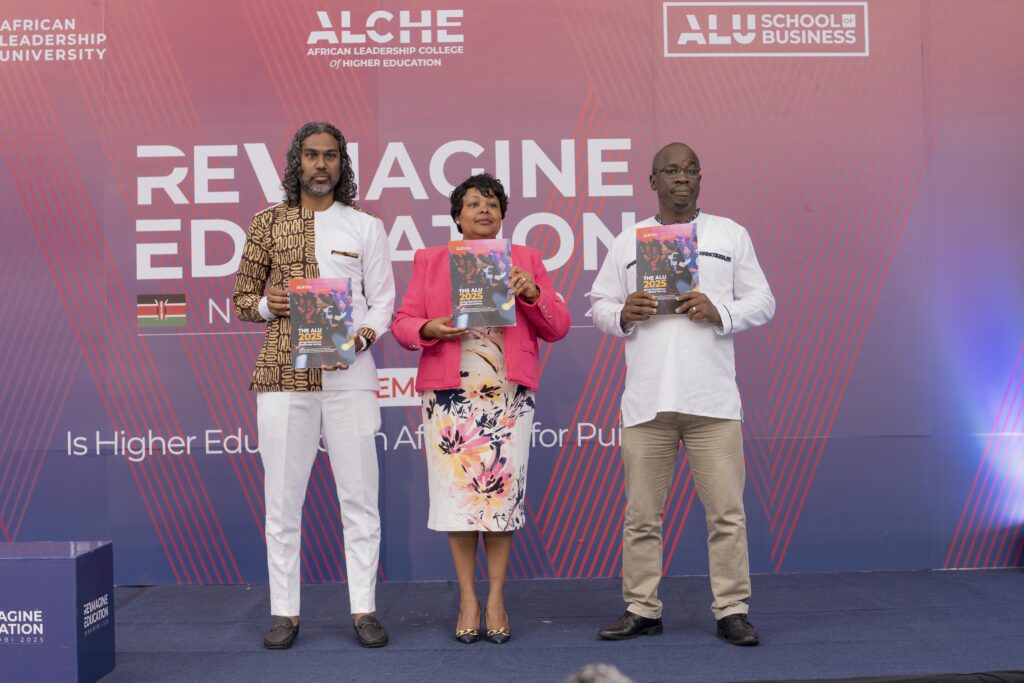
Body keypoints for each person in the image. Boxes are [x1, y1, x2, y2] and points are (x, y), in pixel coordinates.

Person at [589, 143, 775, 646]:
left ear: (700, 178)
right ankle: (642, 608)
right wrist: (623, 312)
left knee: (726, 515)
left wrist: (722, 311)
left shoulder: (729, 234)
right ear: (652, 180)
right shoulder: (629, 240)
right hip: (647, 401)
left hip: (712, 401)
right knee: (642, 516)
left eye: (691, 170)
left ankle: (732, 609)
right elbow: (599, 305)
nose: (682, 178)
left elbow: (764, 300)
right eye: (671, 170)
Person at [232, 121, 395, 650]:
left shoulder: (365, 226)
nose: (321, 164)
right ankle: (284, 613)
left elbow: (384, 301)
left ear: (341, 164)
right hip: (284, 377)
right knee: (282, 501)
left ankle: (364, 609)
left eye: (330, 156)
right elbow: (241, 298)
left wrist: (361, 339)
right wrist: (267, 305)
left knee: (360, 499)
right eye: (311, 155)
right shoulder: (266, 223)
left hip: (350, 374)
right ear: (295, 163)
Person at [392, 173, 570, 644]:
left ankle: (496, 598)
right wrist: (430, 327)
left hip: (507, 397)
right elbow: (404, 323)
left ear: (502, 214)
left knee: (500, 501)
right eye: (472, 204)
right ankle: (468, 598)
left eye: (491, 204)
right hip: (449, 396)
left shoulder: (525, 260)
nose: (483, 211)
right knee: (458, 502)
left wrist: (532, 294)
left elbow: (558, 326)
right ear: (457, 216)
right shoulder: (432, 261)